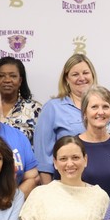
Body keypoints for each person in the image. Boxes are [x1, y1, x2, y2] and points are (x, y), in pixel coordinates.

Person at [34, 54, 97, 184]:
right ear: (66, 79)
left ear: (93, 76)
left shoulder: (102, 107)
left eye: (86, 73)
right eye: (75, 74)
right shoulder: (53, 108)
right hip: (65, 185)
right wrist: (49, 192)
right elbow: (43, 159)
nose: (82, 78)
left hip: (99, 183)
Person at [0, 56, 42, 143]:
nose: (7, 80)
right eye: (1, 76)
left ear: (20, 80)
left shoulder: (35, 109)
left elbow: (43, 144)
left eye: (13, 76)